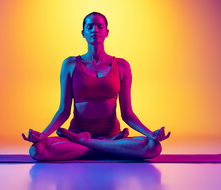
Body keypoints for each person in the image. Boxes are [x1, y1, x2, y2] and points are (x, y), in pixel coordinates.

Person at [22, 12, 171, 160]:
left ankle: (86, 143)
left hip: (110, 135)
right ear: (83, 33)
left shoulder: (122, 65)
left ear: (106, 32)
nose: (95, 30)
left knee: (154, 147)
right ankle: (106, 147)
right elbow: (63, 111)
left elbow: (127, 113)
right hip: (78, 133)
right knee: (37, 150)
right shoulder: (70, 64)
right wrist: (42, 135)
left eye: (100, 27)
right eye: (90, 27)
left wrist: (150, 134)